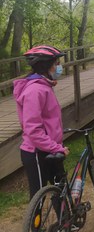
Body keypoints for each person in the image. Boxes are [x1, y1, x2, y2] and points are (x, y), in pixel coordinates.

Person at [13, 45, 70, 201]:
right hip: (37, 152)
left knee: (61, 189)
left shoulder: (45, 86)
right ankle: (35, 226)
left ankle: (64, 223)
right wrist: (55, 147)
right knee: (38, 198)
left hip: (50, 148)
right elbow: (33, 129)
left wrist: (55, 146)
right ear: (47, 66)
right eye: (57, 63)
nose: (59, 67)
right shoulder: (35, 91)